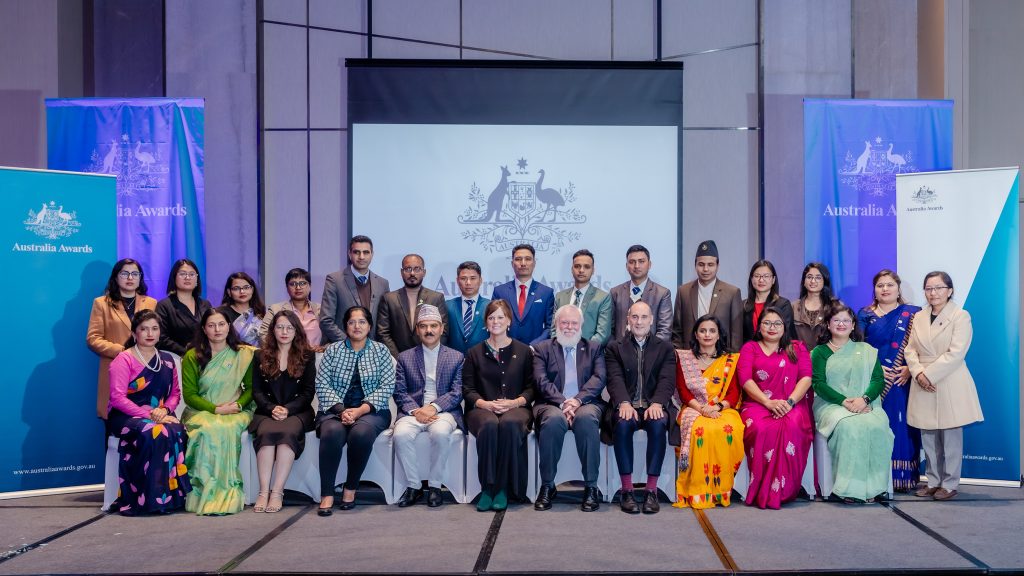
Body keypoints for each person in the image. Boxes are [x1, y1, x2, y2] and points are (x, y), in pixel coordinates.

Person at [905, 271, 983, 501]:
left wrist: (929, 375)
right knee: (928, 435)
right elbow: (910, 349)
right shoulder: (918, 316)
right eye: (928, 288)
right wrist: (918, 373)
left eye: (938, 288)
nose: (933, 293)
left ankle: (949, 483)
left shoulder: (960, 316)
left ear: (949, 290)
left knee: (950, 436)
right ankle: (933, 480)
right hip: (922, 379)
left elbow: (956, 353)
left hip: (948, 379)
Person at [106, 310, 191, 515]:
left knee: (178, 429)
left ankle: (169, 498)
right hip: (125, 416)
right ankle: (142, 498)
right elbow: (117, 398)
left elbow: (175, 395)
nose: (149, 333)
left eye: (154, 328)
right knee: (153, 431)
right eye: (144, 329)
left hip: (158, 414)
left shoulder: (167, 360)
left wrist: (163, 410)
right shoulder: (124, 359)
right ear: (135, 333)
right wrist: (149, 415)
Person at [314, 305, 395, 515]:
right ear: (345, 326)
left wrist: (359, 411)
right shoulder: (333, 350)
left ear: (369, 326)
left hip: (372, 412)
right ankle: (327, 494)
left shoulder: (381, 350)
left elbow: (387, 386)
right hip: (334, 410)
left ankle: (350, 488)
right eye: (352, 322)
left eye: (362, 322)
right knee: (332, 432)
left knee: (361, 432)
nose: (357, 326)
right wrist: (342, 411)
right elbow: (322, 384)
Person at [810, 304, 894, 503]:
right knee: (849, 426)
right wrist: (844, 402)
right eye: (836, 320)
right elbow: (818, 384)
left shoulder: (866, 350)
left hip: (865, 403)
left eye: (846, 320)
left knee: (878, 426)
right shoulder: (819, 352)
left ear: (853, 324)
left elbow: (877, 380)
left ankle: (875, 487)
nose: (841, 324)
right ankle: (848, 488)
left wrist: (864, 399)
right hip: (831, 405)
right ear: (828, 325)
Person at [603, 301, 678, 515]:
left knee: (658, 423)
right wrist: (624, 402)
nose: (639, 321)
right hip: (627, 405)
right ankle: (627, 491)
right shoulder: (614, 347)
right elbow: (614, 378)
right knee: (623, 424)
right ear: (628, 319)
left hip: (653, 404)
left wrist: (657, 403)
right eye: (634, 317)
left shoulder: (665, 348)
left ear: (652, 320)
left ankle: (651, 491)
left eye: (644, 317)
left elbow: (667, 380)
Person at [181, 306, 256, 515]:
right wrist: (215, 409)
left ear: (228, 326)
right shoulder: (192, 356)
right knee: (207, 429)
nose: (217, 330)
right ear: (204, 329)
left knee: (226, 429)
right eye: (211, 325)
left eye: (221, 324)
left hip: (235, 409)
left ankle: (226, 491)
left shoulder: (244, 354)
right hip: (201, 410)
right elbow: (190, 395)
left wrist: (238, 405)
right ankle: (202, 492)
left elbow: (251, 388)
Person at [462, 299, 536, 511]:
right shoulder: (474, 353)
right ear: (485, 323)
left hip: (517, 408)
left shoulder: (524, 351)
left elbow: (532, 388)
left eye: (500, 317)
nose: (496, 321)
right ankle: (488, 488)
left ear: (509, 321)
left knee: (510, 424)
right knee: (489, 425)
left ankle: (503, 488)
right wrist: (485, 404)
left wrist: (514, 403)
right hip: (482, 409)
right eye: (491, 317)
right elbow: (467, 390)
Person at [737, 306, 813, 509]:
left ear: (785, 326)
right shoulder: (750, 348)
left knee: (792, 426)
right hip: (757, 404)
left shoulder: (797, 348)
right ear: (759, 326)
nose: (772, 327)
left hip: (792, 403)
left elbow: (806, 377)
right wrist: (768, 402)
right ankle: (763, 489)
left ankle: (786, 490)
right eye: (767, 323)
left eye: (777, 323)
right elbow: (745, 380)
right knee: (762, 428)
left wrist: (789, 403)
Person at [532, 305, 607, 512]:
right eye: (564, 322)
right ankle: (547, 485)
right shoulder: (542, 349)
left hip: (587, 404)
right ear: (556, 325)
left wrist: (577, 401)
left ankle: (591, 487)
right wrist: (563, 402)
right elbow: (541, 380)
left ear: (581, 325)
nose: (569, 327)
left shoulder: (594, 348)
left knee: (586, 419)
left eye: (574, 323)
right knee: (554, 420)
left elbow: (599, 378)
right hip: (551, 404)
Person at [392, 305, 464, 508]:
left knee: (441, 433)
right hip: (412, 411)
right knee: (400, 434)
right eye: (423, 326)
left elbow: (457, 392)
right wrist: (417, 411)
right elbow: (400, 392)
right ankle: (414, 486)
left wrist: (433, 407)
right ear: (417, 330)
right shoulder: (405, 357)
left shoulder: (456, 357)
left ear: (442, 329)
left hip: (444, 411)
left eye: (434, 326)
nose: (429, 330)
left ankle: (434, 486)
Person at [856, 269, 921, 492]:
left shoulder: (913, 313)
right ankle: (876, 476)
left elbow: (922, 346)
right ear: (874, 289)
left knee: (901, 425)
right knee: (876, 426)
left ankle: (903, 477)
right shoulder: (864, 314)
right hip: (874, 379)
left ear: (898, 288)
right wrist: (874, 369)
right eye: (880, 285)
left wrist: (909, 369)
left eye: (889, 285)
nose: (885, 289)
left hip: (902, 380)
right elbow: (858, 346)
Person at [673, 315, 744, 509]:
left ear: (719, 335)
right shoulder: (685, 358)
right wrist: (702, 408)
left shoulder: (730, 360)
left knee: (728, 428)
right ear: (695, 334)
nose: (707, 334)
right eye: (702, 330)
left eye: (712, 331)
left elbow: (734, 391)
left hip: (723, 408)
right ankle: (699, 489)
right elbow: (682, 389)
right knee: (701, 429)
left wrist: (717, 407)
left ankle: (721, 489)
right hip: (694, 408)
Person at [249, 310, 315, 513]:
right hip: (267, 411)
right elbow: (257, 391)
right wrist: (271, 408)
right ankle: (263, 491)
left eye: (289, 327)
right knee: (267, 433)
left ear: (297, 331)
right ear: (272, 330)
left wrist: (287, 409)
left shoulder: (306, 356)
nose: (284, 331)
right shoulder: (260, 355)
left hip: (297, 411)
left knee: (287, 433)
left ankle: (277, 492)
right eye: (279, 327)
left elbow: (307, 393)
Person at [87, 258, 157, 419]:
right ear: (116, 277)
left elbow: (155, 335)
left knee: (144, 424)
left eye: (135, 274)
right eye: (125, 273)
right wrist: (123, 352)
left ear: (140, 278)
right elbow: (93, 338)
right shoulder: (102, 303)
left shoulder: (151, 303)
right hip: (115, 369)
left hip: (143, 371)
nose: (130, 278)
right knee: (114, 428)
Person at [672, 241, 743, 352]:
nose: (705, 269)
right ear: (695, 265)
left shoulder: (732, 292)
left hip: (721, 358)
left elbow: (736, 335)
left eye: (710, 265)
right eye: (701, 264)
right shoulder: (683, 291)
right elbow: (677, 330)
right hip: (690, 358)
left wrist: (731, 359)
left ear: (717, 266)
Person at [320, 235, 390, 343]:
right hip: (342, 349)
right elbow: (326, 320)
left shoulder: (383, 284)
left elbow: (384, 324)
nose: (361, 257)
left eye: (366, 252)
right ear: (349, 254)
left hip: (372, 351)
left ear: (372, 254)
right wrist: (350, 343)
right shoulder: (334, 280)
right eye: (357, 252)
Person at [377, 254, 449, 357]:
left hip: (429, 358)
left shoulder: (436, 298)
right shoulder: (389, 299)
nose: (412, 273)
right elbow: (383, 333)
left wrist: (429, 355)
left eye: (417, 269)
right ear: (402, 272)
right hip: (397, 360)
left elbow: (444, 331)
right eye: (408, 269)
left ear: (424, 272)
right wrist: (400, 358)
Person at [491, 244, 554, 345]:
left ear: (534, 263)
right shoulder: (499, 291)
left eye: (528, 259)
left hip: (535, 352)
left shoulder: (546, 292)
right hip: (505, 349)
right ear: (512, 263)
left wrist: (535, 345)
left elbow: (550, 327)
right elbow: (494, 323)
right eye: (518, 259)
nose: (523, 263)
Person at [609, 245, 672, 341]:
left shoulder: (662, 293)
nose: (636, 266)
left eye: (641, 261)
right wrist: (616, 350)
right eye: (632, 262)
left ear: (649, 264)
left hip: (652, 353)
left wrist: (647, 352)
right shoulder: (615, 292)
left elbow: (665, 331)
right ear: (626, 266)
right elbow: (610, 329)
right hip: (619, 352)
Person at [551, 249, 612, 345]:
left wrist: (583, 351)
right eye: (577, 266)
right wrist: (561, 348)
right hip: (561, 353)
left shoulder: (603, 298)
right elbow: (554, 329)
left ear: (593, 270)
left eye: (586, 267)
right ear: (572, 269)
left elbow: (602, 334)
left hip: (590, 355)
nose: (581, 270)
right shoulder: (560, 296)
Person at [156, 258, 213, 355]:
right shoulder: (164, 306)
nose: (187, 278)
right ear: (174, 278)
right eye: (182, 274)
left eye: (192, 274)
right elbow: (161, 338)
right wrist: (186, 353)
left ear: (197, 279)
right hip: (176, 358)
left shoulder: (205, 304)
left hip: (206, 356)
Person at [260, 267, 323, 351]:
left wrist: (324, 347)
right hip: (286, 358)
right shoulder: (276, 309)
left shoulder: (321, 309)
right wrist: (278, 352)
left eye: (303, 283)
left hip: (317, 357)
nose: (298, 287)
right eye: (293, 284)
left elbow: (331, 335)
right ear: (287, 287)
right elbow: (263, 333)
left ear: (310, 286)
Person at [741, 259, 795, 343]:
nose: (761, 280)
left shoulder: (783, 304)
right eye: (757, 276)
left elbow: (786, 334)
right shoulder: (743, 305)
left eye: (766, 276)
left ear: (773, 279)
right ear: (751, 279)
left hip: (776, 352)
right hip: (750, 352)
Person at [446, 261, 490, 353]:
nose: (468, 283)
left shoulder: (489, 306)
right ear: (457, 281)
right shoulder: (448, 305)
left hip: (482, 361)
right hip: (453, 361)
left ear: (480, 280)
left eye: (473, 278)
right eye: (463, 278)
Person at [793, 262, 836, 350]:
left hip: (826, 358)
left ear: (825, 281)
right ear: (804, 281)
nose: (813, 281)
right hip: (799, 358)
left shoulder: (835, 306)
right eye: (809, 277)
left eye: (818, 278)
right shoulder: (792, 306)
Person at [221, 271, 266, 347]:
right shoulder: (222, 313)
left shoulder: (260, 312)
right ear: (229, 292)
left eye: (246, 287)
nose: (242, 291)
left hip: (259, 356)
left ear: (252, 289)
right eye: (236, 288)